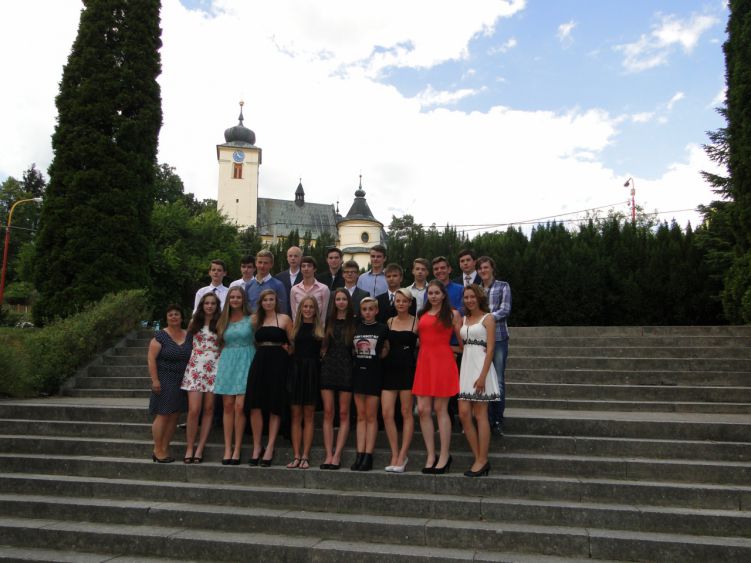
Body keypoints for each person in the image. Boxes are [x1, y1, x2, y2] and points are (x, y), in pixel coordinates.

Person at [412, 280, 463, 474]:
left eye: (437, 293)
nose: (433, 296)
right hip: (424, 364)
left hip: (443, 364)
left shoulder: (452, 314)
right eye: (430, 293)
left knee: (441, 409)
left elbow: (463, 345)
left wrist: (447, 349)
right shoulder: (422, 314)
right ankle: (430, 455)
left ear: (443, 295)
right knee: (423, 410)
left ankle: (444, 455)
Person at [244, 289, 293, 467]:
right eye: (265, 300)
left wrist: (288, 350)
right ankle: (257, 446)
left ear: (276, 301)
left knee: (274, 404)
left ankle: (270, 447)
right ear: (261, 302)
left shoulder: (285, 319)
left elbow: (293, 343)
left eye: (271, 299)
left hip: (278, 363)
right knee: (255, 405)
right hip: (260, 361)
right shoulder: (254, 320)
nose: (268, 302)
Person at [458, 285, 501, 477]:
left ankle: (482, 459)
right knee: (463, 414)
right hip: (466, 368)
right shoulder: (464, 319)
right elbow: (463, 345)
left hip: (481, 369)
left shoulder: (488, 318)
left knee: (480, 414)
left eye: (472, 297)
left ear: (479, 297)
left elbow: (490, 349)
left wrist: (483, 376)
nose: (469, 300)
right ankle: (479, 458)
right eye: (466, 297)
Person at [214, 286, 255, 465]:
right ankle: (227, 448)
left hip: (247, 359)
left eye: (238, 297)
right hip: (228, 361)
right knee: (228, 406)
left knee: (240, 406)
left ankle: (237, 447)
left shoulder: (252, 319)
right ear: (228, 300)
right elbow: (220, 343)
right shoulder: (222, 320)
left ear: (243, 299)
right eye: (232, 297)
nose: (235, 300)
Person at [147, 304, 193, 463]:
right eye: (170, 314)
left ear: (182, 317)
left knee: (175, 416)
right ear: (166, 318)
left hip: (183, 380)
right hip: (164, 380)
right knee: (163, 415)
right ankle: (157, 449)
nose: (174, 317)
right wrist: (155, 380)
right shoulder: (160, 336)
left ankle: (165, 448)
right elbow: (151, 359)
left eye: (177, 314)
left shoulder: (189, 335)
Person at [180, 292, 221, 464]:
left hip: (214, 367)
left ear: (217, 306)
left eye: (213, 303)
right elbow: (186, 344)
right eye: (206, 303)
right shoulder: (193, 322)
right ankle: (189, 447)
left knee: (209, 409)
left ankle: (200, 448)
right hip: (196, 367)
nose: (209, 306)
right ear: (202, 305)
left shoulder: (221, 323)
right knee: (194, 410)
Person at [350, 297, 389, 471]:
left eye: (370, 309)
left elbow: (386, 349)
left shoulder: (382, 328)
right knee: (360, 416)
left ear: (376, 310)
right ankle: (359, 453)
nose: (367, 312)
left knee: (371, 416)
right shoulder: (356, 328)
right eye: (364, 309)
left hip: (374, 374)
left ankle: (368, 455)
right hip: (358, 374)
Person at [381, 288, 418, 473]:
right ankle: (394, 453)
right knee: (387, 413)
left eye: (404, 301)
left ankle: (403, 455)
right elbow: (386, 346)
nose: (401, 304)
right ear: (394, 302)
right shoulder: (389, 321)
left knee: (406, 412)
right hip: (389, 370)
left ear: (410, 303)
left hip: (407, 370)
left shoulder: (416, 323)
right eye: (398, 301)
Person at [319, 288, 356, 470]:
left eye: (344, 299)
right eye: (338, 299)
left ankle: (337, 454)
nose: (341, 302)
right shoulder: (328, 321)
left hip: (347, 368)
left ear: (348, 302)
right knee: (328, 412)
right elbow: (323, 345)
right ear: (334, 302)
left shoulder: (355, 322)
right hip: (329, 368)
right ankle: (328, 454)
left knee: (343, 413)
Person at [286, 296, 324, 470]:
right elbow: (291, 349)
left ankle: (305, 456)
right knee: (295, 415)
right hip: (296, 371)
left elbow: (323, 352)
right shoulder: (294, 328)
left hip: (312, 372)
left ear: (316, 310)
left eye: (311, 307)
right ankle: (296, 455)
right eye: (305, 306)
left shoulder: (320, 330)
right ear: (300, 309)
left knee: (309, 416)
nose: (308, 309)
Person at [476, 255, 512, 436]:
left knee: (498, 381)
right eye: (480, 268)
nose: (483, 270)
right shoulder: (476, 289)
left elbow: (505, 309)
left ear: (492, 268)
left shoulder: (503, 286)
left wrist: (486, 319)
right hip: (481, 340)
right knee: (483, 379)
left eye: (486, 267)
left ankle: (497, 420)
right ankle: (486, 418)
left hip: (498, 339)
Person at [275, 246, 303, 315]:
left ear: (301, 258)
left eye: (296, 256)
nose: (293, 258)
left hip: (301, 314)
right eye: (290, 256)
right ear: (287, 258)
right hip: (283, 314)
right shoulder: (279, 277)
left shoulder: (305, 276)